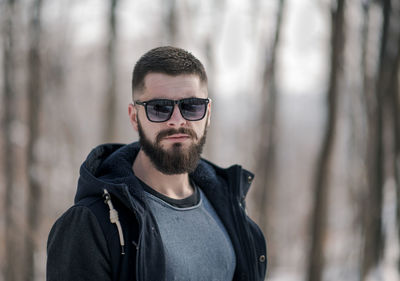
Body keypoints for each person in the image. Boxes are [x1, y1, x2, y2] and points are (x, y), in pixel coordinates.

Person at [46, 46, 267, 281]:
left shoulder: (229, 208)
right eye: (159, 108)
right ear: (134, 117)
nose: (177, 121)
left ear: (208, 113)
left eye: (192, 106)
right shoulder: (92, 223)